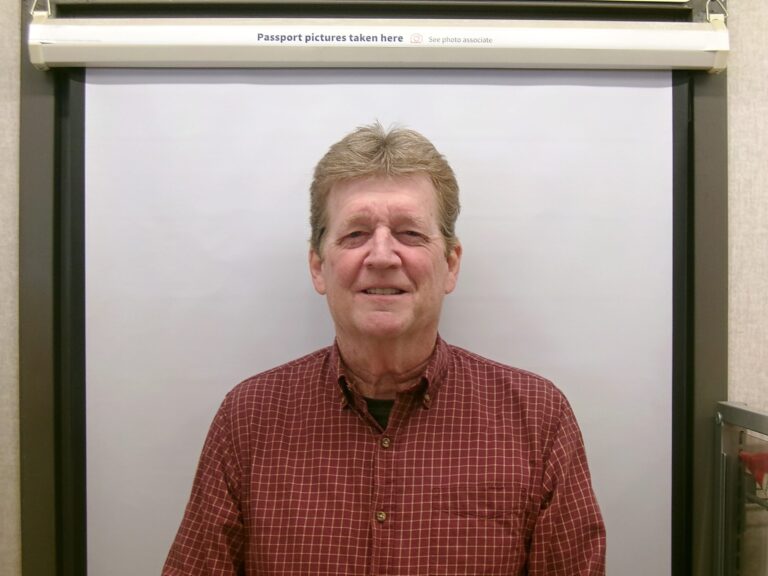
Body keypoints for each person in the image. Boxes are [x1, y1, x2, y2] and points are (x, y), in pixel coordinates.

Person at [163, 123, 606, 575]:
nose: (381, 256)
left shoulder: (537, 420)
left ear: (451, 264)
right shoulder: (249, 420)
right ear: (318, 266)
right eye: (355, 234)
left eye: (409, 233)